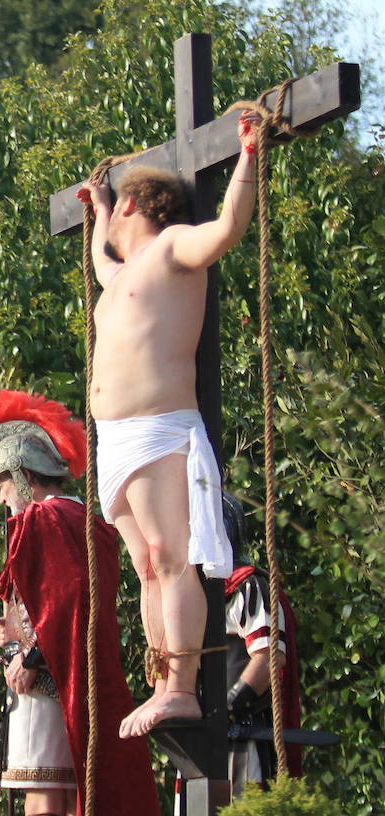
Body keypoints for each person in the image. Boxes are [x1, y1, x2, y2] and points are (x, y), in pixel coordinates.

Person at [76, 108, 264, 737]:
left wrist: (247, 156)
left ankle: (181, 688)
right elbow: (104, 259)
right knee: (146, 567)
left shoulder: (173, 245)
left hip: (159, 427)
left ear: (139, 206)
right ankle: (162, 681)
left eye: (116, 208)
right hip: (119, 439)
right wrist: (97, 207)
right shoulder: (121, 273)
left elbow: (228, 228)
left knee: (169, 555)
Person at [0, 391, 164, 816]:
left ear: (23, 475)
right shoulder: (83, 520)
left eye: (3, 486)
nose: (2, 497)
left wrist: (30, 655)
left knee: (43, 799)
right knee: (77, 798)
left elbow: (67, 598)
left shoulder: (46, 518)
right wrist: (14, 631)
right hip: (73, 669)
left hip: (52, 677)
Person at [221, 492, 302, 791]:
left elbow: (269, 656)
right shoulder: (191, 593)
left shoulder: (249, 586)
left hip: (243, 733)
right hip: (202, 732)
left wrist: (229, 705)